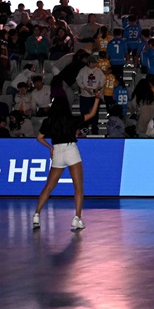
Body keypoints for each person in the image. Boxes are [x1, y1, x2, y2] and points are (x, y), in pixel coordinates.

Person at [32, 93, 101, 230]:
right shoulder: (72, 120)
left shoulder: (48, 121)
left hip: (57, 151)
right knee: (78, 187)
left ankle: (36, 214)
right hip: (71, 151)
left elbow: (39, 137)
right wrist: (97, 99)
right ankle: (77, 218)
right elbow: (92, 114)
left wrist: (50, 147)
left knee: (48, 187)